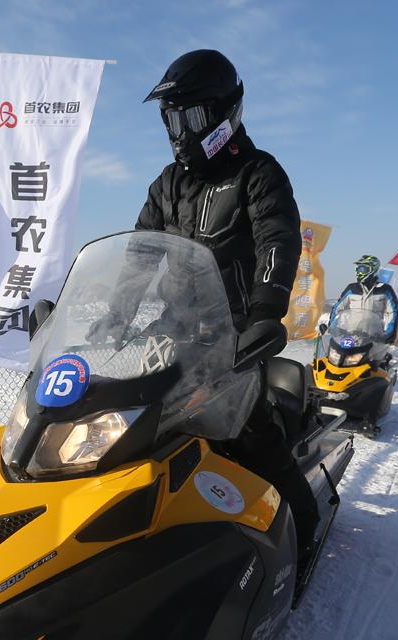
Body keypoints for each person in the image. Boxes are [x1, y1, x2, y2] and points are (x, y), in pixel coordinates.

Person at [135, 49, 318, 568]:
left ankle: (300, 535)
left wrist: (265, 311)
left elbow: (277, 242)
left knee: (253, 437)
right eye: (172, 117)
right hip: (173, 333)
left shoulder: (258, 173)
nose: (180, 129)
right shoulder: (167, 183)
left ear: (223, 113)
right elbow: (138, 255)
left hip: (234, 340)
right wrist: (107, 314)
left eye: (191, 115)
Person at [328, 255, 398, 345]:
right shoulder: (352, 289)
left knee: (377, 359)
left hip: (374, 337)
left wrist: (389, 334)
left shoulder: (385, 290)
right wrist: (331, 328)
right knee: (336, 357)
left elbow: (393, 313)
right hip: (350, 336)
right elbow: (337, 309)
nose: (359, 272)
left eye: (363, 269)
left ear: (373, 270)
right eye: (357, 269)